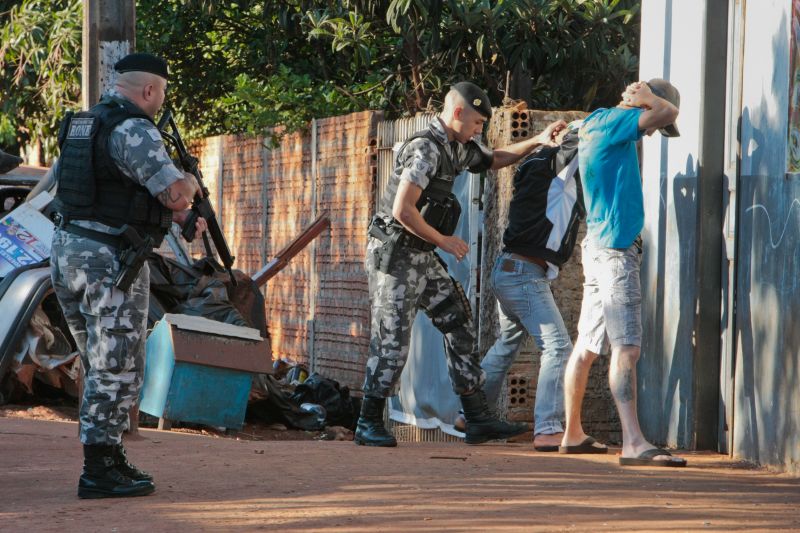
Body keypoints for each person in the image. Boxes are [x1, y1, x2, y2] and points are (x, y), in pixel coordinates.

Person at [355, 80, 565, 447]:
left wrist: (538, 140)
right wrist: (446, 242)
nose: (479, 131)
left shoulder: (457, 147)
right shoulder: (426, 148)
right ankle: (367, 421)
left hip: (419, 253)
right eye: (477, 124)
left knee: (459, 319)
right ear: (457, 114)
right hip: (395, 254)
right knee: (393, 338)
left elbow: (494, 159)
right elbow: (403, 209)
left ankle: (477, 416)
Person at [50, 52, 208, 498]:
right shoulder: (134, 127)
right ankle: (99, 468)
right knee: (115, 364)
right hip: (108, 262)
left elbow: (97, 190)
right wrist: (190, 188)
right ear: (149, 90)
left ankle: (110, 454)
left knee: (98, 360)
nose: (160, 103)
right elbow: (175, 193)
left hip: (68, 254)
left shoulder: (85, 125)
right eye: (161, 95)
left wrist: (173, 219)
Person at [559, 79, 687, 467]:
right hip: (615, 249)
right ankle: (633, 442)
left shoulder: (596, 122)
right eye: (650, 122)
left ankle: (572, 434)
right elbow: (668, 112)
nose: (651, 130)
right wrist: (648, 99)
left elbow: (568, 131)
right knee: (627, 347)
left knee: (587, 346)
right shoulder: (617, 121)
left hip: (598, 243)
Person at [458, 122, 583, 452]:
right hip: (525, 273)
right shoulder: (558, 166)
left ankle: (470, 413)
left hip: (508, 269)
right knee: (558, 348)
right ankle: (548, 428)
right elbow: (582, 144)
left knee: (507, 342)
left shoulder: (531, 163)